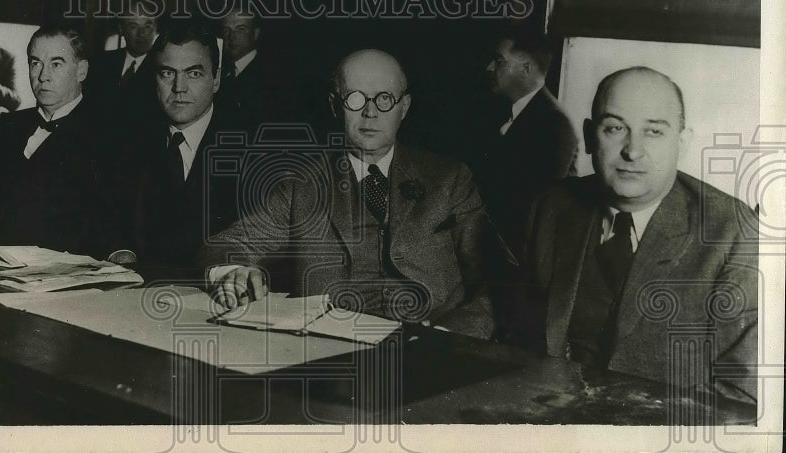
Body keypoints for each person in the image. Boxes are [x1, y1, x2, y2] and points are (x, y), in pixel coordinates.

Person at [202, 49, 510, 338]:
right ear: (335, 105)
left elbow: (498, 282)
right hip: (332, 354)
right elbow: (227, 244)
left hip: (433, 351)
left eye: (385, 98)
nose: (371, 112)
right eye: (355, 98)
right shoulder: (303, 184)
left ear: (404, 107)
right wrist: (233, 273)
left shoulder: (450, 179)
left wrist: (448, 335)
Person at [519, 67, 758, 404]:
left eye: (654, 132)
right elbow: (513, 319)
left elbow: (744, 391)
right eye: (615, 128)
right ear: (589, 136)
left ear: (682, 142)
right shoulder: (553, 207)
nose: (633, 150)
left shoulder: (732, 232)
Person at [0, 24, 121, 257]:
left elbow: (111, 226)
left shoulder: (108, 135)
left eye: (56, 64)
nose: (43, 76)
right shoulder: (11, 126)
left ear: (81, 71)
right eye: (35, 63)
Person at [118, 18, 241, 281]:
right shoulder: (131, 144)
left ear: (216, 79)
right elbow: (113, 224)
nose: (179, 87)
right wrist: (120, 251)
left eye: (194, 73)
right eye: (168, 73)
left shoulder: (248, 151)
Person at [476, 30, 578, 260]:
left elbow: (537, 207)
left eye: (499, 61)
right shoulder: (510, 112)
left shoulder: (554, 125)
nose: (490, 68)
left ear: (526, 69)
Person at [83, 7, 160, 133]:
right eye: (133, 26)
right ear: (121, 29)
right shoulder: (99, 63)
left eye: (148, 26)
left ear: (155, 28)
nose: (142, 33)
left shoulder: (162, 68)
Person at [217, 9, 273, 128]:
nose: (232, 36)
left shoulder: (270, 74)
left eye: (241, 29)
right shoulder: (219, 71)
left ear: (256, 34)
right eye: (226, 30)